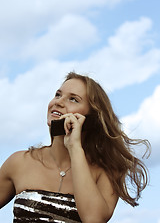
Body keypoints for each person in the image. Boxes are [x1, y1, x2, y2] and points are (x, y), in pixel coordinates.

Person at [0, 72, 150, 223]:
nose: (58, 102)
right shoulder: (19, 162)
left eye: (73, 99)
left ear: (92, 118)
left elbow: (93, 219)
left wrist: (75, 148)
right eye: (58, 95)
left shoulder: (108, 171)